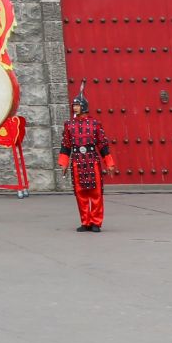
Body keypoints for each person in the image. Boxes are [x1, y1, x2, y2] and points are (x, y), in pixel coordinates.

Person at [58, 85, 114, 232]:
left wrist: (109, 163)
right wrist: (63, 163)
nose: (75, 108)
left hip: (92, 161)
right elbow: (66, 145)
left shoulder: (95, 124)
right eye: (74, 105)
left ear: (83, 106)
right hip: (77, 161)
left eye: (77, 105)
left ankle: (96, 222)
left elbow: (102, 145)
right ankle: (85, 221)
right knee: (80, 193)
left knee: (95, 193)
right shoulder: (69, 125)